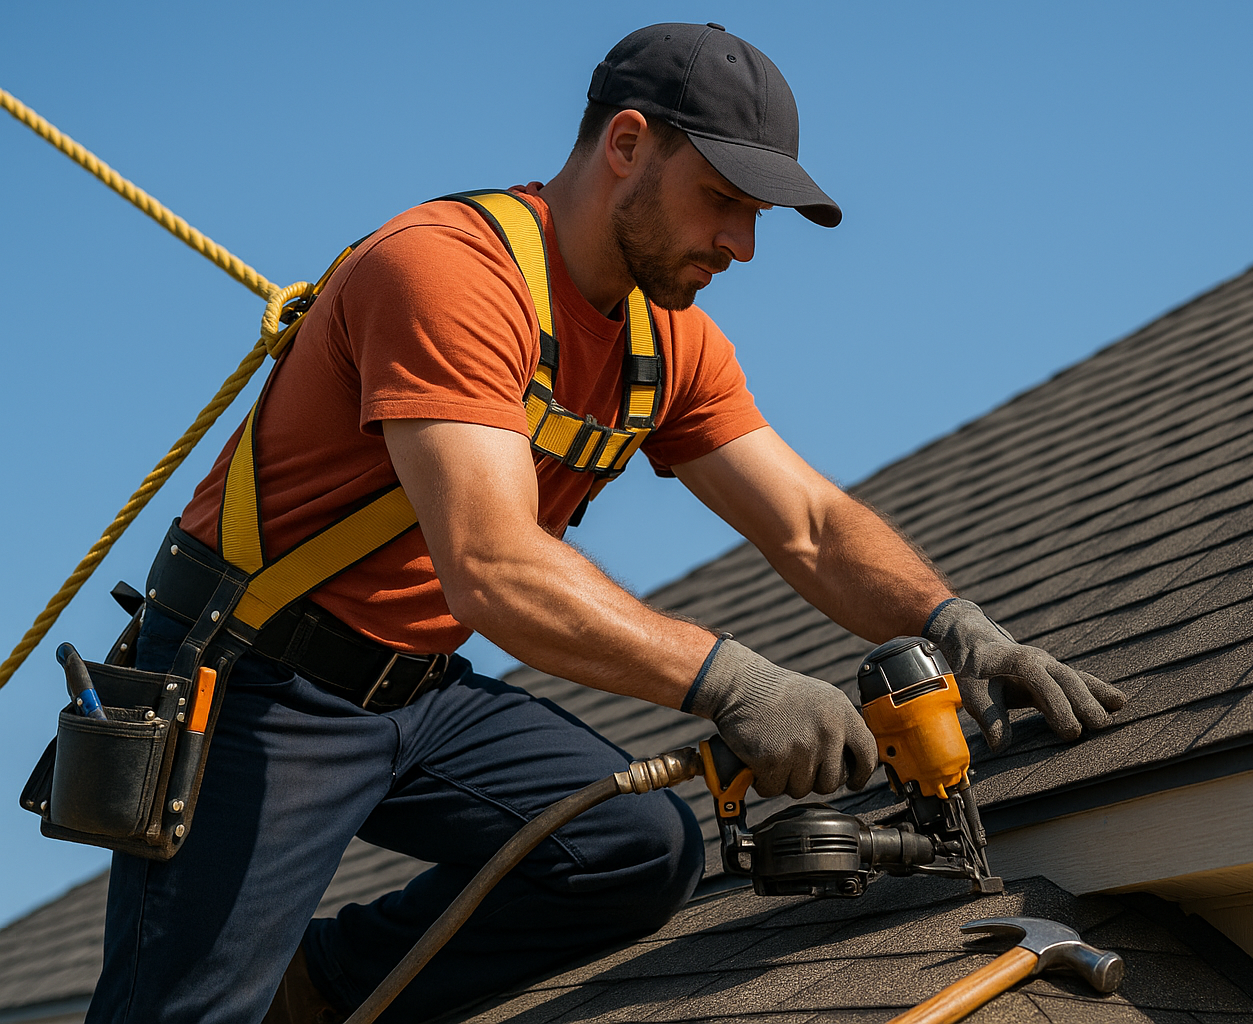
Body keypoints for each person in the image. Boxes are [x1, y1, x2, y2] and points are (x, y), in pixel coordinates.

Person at [85, 22, 1125, 1024]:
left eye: (758, 214)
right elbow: (493, 567)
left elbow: (806, 522)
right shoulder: (449, 272)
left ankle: (317, 992)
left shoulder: (667, 344)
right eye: (724, 199)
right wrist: (740, 681)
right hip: (257, 681)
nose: (744, 244)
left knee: (634, 849)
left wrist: (958, 623)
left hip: (417, 692)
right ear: (626, 144)